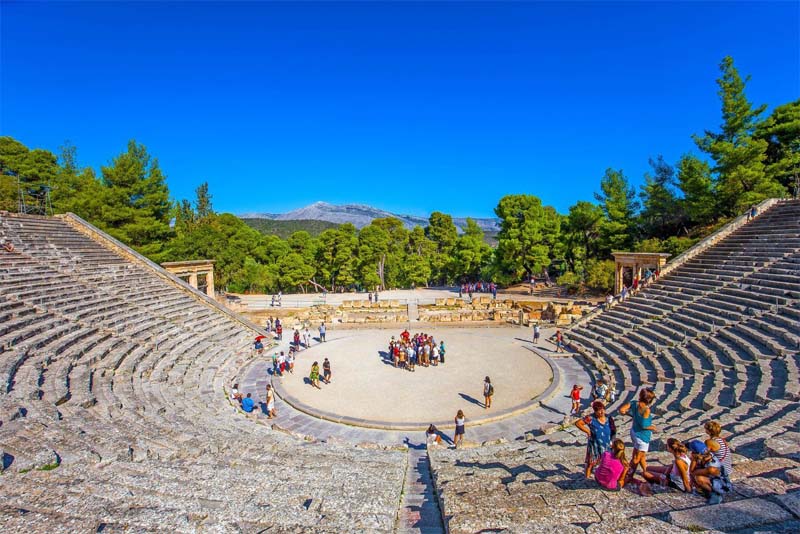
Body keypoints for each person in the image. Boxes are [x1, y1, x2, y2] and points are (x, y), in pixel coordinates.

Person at [619, 388, 658, 482]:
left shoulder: (634, 403)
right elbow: (644, 425)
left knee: (641, 456)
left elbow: (621, 410)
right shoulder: (646, 410)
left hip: (634, 432)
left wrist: (632, 415)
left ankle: (646, 471)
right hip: (642, 436)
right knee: (636, 458)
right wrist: (653, 427)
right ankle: (628, 476)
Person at [575, 400, 616, 479]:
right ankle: (587, 478)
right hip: (595, 445)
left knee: (606, 461)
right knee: (591, 462)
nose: (601, 412)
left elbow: (613, 430)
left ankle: (603, 476)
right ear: (595, 411)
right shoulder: (591, 418)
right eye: (599, 411)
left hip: (607, 444)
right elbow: (578, 423)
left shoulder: (609, 418)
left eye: (602, 410)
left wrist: (612, 441)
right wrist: (587, 431)